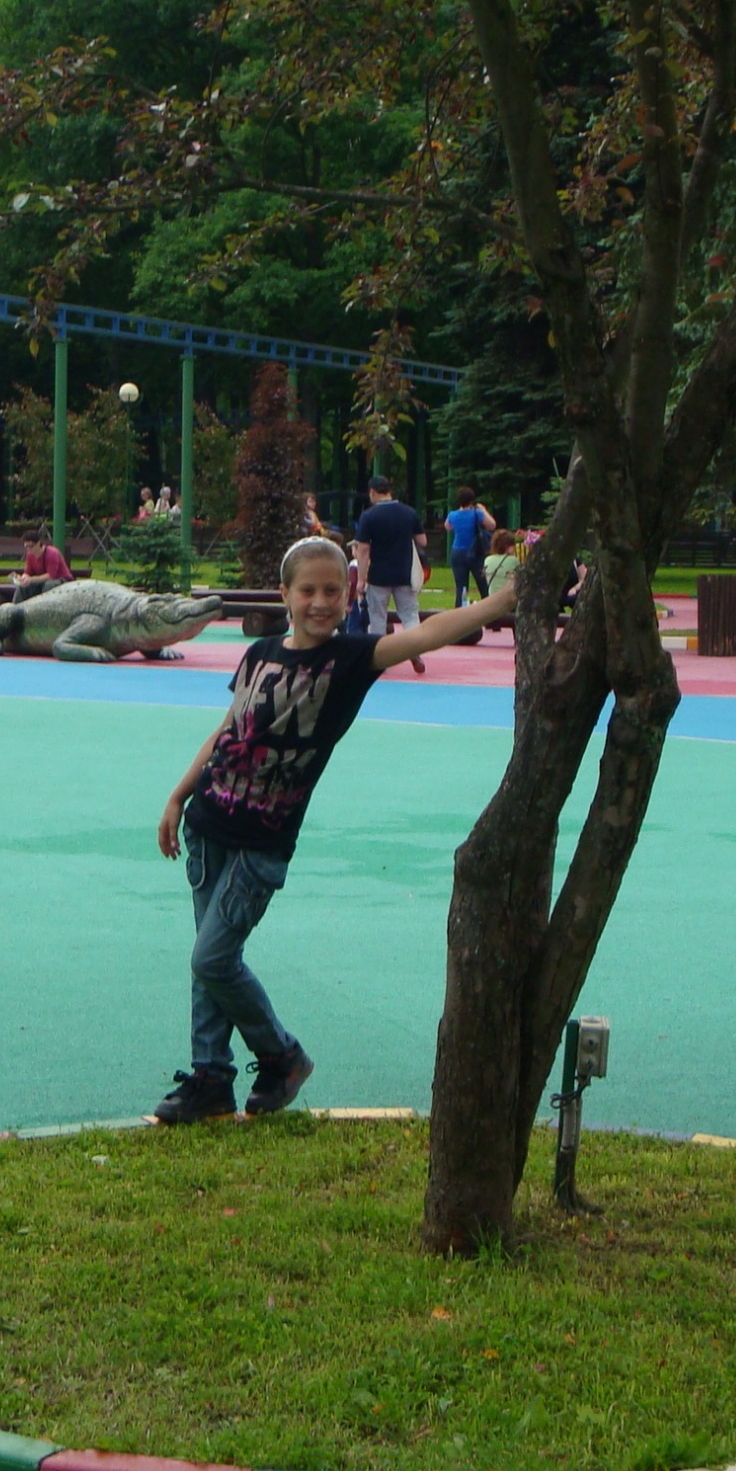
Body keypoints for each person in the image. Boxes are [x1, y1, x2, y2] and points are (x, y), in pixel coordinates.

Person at [152, 536, 520, 1123]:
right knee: (210, 961)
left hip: (262, 843)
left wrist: (500, 603)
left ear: (348, 596)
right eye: (308, 590)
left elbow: (425, 635)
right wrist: (178, 794)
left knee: (211, 960)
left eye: (332, 591)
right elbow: (228, 730)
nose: (320, 602)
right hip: (208, 826)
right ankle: (210, 1077)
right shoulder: (259, 653)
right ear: (285, 595)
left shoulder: (349, 660)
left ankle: (282, 1057)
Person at [351, 477, 427, 674]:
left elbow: (363, 550)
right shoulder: (409, 512)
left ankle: (379, 659)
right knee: (409, 615)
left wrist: (361, 579)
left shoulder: (369, 516)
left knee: (377, 617)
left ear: (372, 492)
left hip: (379, 575)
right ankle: (414, 650)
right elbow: (423, 541)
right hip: (404, 573)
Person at [441, 485, 498, 607]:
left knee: (461, 587)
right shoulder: (477, 514)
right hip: (475, 552)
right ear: (472, 500)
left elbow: (448, 526)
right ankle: (487, 609)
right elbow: (492, 525)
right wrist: (483, 509)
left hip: (457, 552)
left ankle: (460, 610)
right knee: (483, 584)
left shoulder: (453, 515)